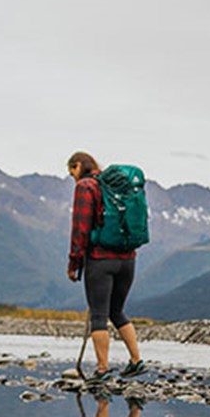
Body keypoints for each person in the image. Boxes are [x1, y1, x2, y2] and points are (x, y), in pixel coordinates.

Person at [67, 152, 145, 382]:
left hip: (100, 260)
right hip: (128, 259)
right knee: (117, 311)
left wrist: (74, 262)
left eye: (71, 171)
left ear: (78, 165)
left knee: (99, 315)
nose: (72, 177)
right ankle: (136, 361)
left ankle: (102, 369)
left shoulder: (86, 186)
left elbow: (80, 229)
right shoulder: (115, 187)